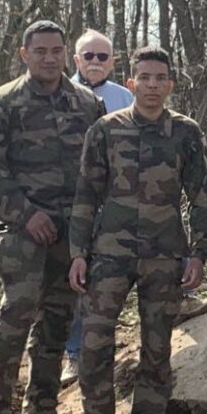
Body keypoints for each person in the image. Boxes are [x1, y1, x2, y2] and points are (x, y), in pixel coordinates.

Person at [65, 46, 207, 414]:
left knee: (157, 354)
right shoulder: (106, 130)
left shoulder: (185, 133)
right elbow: (87, 193)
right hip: (109, 255)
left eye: (159, 78)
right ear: (131, 83)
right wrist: (77, 252)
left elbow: (200, 196)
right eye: (143, 77)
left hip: (164, 257)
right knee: (94, 348)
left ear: (170, 84)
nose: (151, 85)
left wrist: (200, 253)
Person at [0, 20, 105, 414]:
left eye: (57, 51)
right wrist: (27, 215)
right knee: (17, 313)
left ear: (66, 54)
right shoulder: (0, 105)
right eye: (40, 51)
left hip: (72, 234)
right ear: (23, 53)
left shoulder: (87, 104)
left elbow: (100, 168)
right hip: (21, 230)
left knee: (58, 320)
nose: (49, 58)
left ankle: (40, 413)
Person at [62, 29, 136, 386]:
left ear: (113, 61)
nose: (94, 63)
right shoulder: (59, 93)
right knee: (77, 275)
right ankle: (73, 354)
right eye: (88, 56)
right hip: (73, 198)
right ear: (75, 60)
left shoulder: (124, 96)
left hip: (118, 199)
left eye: (102, 57)